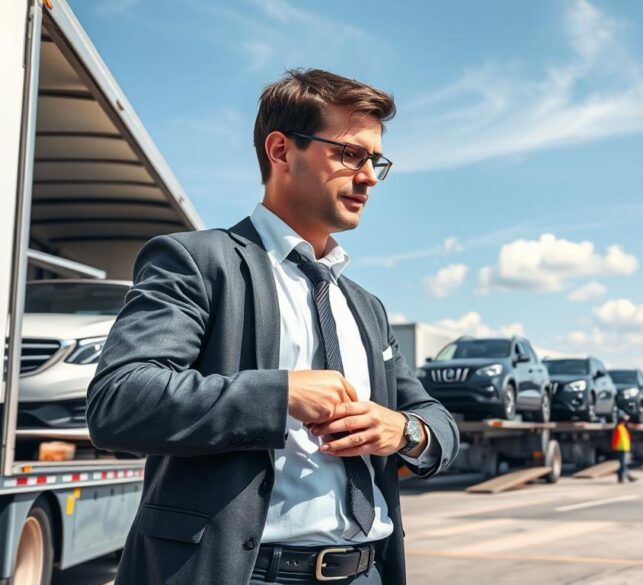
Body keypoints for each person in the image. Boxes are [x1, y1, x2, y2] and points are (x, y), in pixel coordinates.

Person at [87, 69, 459, 585]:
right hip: (242, 573)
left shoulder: (365, 307)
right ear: (282, 150)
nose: (369, 175)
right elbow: (120, 402)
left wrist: (404, 431)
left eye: (376, 160)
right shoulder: (196, 262)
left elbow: (433, 416)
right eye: (351, 154)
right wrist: (280, 393)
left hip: (368, 572)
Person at [612, 412, 637, 483]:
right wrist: (614, 446)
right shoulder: (619, 428)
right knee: (623, 464)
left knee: (623, 464)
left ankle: (622, 477)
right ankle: (626, 477)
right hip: (620, 448)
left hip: (625, 448)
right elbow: (615, 438)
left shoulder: (623, 428)